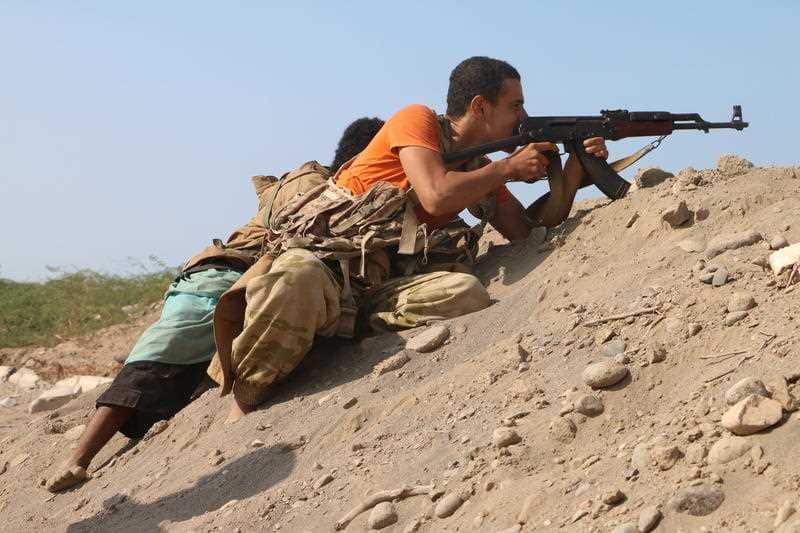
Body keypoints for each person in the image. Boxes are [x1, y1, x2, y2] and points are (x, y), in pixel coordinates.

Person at [215, 56, 610, 422]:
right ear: (480, 106)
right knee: (295, 277)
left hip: (379, 288)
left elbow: (525, 231)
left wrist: (574, 171)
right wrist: (508, 169)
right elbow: (435, 193)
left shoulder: (479, 168)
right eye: (515, 106)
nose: (522, 117)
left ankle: (340, 327)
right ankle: (246, 402)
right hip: (327, 265)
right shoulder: (415, 120)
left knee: (465, 291)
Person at [45, 117, 385, 492]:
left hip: (263, 278)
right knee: (164, 350)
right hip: (226, 272)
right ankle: (79, 458)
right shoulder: (312, 184)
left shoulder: (357, 194)